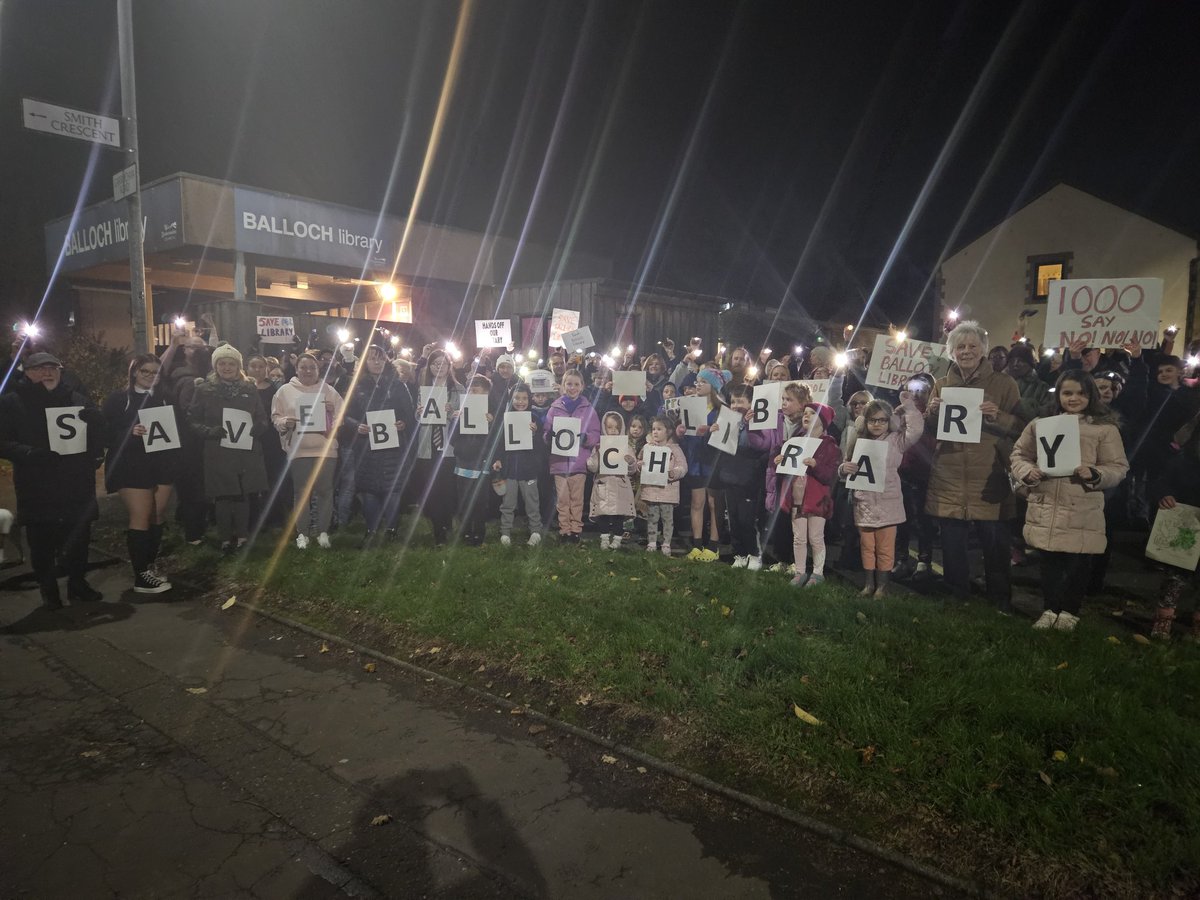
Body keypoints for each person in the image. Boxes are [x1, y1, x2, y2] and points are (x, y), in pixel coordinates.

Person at [1010, 372, 1128, 631]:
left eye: (1080, 393)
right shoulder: (1041, 424)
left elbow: (1118, 467)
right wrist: (1026, 472)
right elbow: (1020, 453)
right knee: (1049, 563)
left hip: (1082, 508)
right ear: (1058, 395)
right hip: (1047, 504)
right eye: (1067, 393)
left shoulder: (1104, 429)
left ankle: (1069, 611)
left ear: (1091, 395)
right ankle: (1050, 608)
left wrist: (1096, 474)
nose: (1074, 398)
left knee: (1077, 564)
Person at [924, 320, 1021, 609]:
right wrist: (931, 413)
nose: (966, 351)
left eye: (972, 346)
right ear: (952, 352)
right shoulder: (941, 385)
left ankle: (999, 600)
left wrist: (999, 416)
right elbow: (931, 431)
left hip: (989, 474)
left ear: (983, 351)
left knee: (995, 543)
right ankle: (957, 596)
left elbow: (1023, 426)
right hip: (949, 473)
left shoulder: (1005, 384)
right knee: (953, 543)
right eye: (960, 347)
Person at [0, 351, 105, 608]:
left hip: (76, 482)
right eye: (40, 368)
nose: (47, 373)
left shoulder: (77, 399)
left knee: (79, 538)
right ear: (26, 372)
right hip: (37, 483)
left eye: (52, 368)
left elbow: (98, 437)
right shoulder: (12, 402)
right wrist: (30, 454)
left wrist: (96, 427)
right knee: (42, 541)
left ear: (61, 371)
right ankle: (49, 591)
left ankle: (78, 584)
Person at [101, 354, 181, 593]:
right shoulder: (118, 399)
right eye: (145, 371)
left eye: (155, 372)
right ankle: (141, 576)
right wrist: (129, 432)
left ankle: (149, 565)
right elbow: (103, 433)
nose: (150, 376)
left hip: (161, 464)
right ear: (134, 372)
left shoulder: (166, 398)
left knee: (157, 516)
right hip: (130, 466)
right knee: (141, 516)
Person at [839, 394, 923, 596]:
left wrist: (909, 409)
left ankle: (883, 586)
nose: (877, 424)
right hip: (864, 503)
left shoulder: (896, 441)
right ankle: (869, 584)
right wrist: (843, 469)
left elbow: (915, 430)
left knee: (885, 548)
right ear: (865, 421)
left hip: (888, 503)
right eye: (872, 420)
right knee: (867, 547)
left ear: (889, 421)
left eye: (882, 420)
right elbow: (847, 466)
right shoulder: (859, 441)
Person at [189, 344, 270, 551]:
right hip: (219, 450)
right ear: (216, 366)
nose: (227, 367)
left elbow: (261, 417)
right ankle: (225, 538)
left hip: (245, 449)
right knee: (223, 495)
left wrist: (258, 428)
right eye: (222, 363)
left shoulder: (249, 388)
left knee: (243, 493)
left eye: (231, 363)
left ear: (238, 366)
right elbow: (193, 419)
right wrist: (210, 432)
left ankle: (242, 537)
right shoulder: (204, 389)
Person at [343, 345, 415, 546]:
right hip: (366, 447)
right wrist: (356, 426)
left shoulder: (398, 385)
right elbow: (344, 415)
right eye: (372, 359)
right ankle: (371, 529)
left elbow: (408, 413)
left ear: (386, 361)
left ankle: (392, 529)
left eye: (380, 359)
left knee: (392, 490)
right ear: (364, 362)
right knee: (368, 491)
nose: (377, 362)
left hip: (393, 447)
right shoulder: (355, 386)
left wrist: (403, 423)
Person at [271, 352, 343, 550]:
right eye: (303, 367)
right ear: (296, 369)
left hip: (325, 450)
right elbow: (276, 417)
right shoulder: (285, 391)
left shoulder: (329, 391)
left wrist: (330, 415)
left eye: (312, 368)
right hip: (299, 451)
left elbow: (340, 415)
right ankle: (302, 533)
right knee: (301, 493)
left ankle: (322, 532)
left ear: (319, 370)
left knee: (325, 492)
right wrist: (286, 422)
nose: (308, 371)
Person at [748, 381, 811, 572]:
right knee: (779, 519)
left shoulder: (810, 422)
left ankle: (797, 561)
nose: (784, 403)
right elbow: (761, 444)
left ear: (802, 403)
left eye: (789, 400)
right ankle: (783, 559)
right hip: (776, 477)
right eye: (783, 399)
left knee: (797, 521)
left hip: (799, 480)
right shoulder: (775, 420)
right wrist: (752, 427)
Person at [781, 403, 840, 587]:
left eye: (812, 413)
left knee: (815, 537)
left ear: (823, 421)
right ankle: (800, 572)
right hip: (797, 497)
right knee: (798, 537)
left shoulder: (830, 446)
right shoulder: (797, 440)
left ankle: (817, 572)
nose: (806, 416)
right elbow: (787, 466)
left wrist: (816, 465)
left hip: (817, 500)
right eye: (805, 413)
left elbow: (830, 474)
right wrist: (779, 460)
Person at [409, 349, 463, 546]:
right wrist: (418, 412)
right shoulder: (423, 388)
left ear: (449, 366)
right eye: (435, 363)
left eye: (443, 363)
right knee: (431, 489)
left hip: (448, 445)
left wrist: (452, 412)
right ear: (429, 367)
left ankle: (444, 525)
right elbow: (417, 417)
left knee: (447, 488)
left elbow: (464, 417)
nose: (439, 367)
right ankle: (439, 526)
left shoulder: (458, 389)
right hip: (428, 444)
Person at [543, 369, 601, 544]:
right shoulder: (554, 408)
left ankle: (575, 530)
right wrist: (549, 436)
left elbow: (596, 433)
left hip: (578, 464)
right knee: (562, 499)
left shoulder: (588, 408)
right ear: (563, 386)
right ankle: (564, 529)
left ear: (582, 386)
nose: (572, 387)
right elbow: (546, 432)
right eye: (569, 384)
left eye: (576, 384)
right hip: (559, 462)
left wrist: (587, 439)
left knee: (577, 499)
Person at [679, 366, 729, 561]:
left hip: (713, 462)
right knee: (697, 502)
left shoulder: (721, 409)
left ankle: (714, 546)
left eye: (704, 381)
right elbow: (684, 434)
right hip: (695, 461)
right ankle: (697, 544)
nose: (698, 384)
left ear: (714, 386)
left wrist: (711, 430)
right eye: (697, 381)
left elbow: (727, 437)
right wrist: (680, 432)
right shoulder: (690, 405)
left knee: (714, 503)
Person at [492, 384, 545, 547]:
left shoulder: (534, 417)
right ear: (511, 399)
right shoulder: (505, 417)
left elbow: (541, 447)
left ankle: (535, 530)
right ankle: (505, 531)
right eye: (516, 398)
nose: (520, 402)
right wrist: (498, 459)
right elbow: (499, 442)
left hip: (529, 470)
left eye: (524, 398)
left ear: (529, 399)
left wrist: (535, 433)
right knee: (508, 502)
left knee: (532, 502)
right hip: (510, 470)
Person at [722, 385, 767, 569]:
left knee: (746, 518)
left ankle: (754, 554)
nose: (735, 405)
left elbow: (758, 446)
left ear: (751, 403)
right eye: (733, 401)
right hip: (729, 475)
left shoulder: (757, 423)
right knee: (732, 517)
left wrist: (748, 425)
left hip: (747, 477)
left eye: (740, 401)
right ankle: (739, 553)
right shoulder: (727, 422)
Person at [449, 375, 496, 546]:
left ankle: (479, 531)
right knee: (464, 499)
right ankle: (466, 531)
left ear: (486, 394)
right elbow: (452, 440)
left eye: (477, 391)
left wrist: (491, 424)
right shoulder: (461, 412)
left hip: (482, 464)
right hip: (463, 464)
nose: (472, 394)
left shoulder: (492, 412)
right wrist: (455, 421)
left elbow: (496, 440)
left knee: (481, 502)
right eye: (470, 391)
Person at [246, 355, 290, 530]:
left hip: (271, 441)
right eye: (253, 366)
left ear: (267, 369)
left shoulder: (275, 391)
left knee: (273, 479)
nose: (257, 370)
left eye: (260, 367)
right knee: (252, 480)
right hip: (248, 439)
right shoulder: (243, 388)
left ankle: (274, 517)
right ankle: (253, 518)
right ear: (247, 368)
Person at [636, 416, 687, 555]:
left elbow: (683, 467)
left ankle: (666, 543)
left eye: (659, 429)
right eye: (653, 429)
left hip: (667, 492)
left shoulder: (674, 449)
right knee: (652, 518)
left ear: (669, 431)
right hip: (652, 491)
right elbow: (640, 462)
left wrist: (674, 473)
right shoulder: (647, 447)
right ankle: (652, 542)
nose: (655, 432)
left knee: (667, 519)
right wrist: (640, 466)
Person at [587, 412, 637, 549]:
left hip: (620, 486)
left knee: (618, 515)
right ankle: (604, 538)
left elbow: (632, 470)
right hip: (603, 484)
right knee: (603, 513)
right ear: (604, 428)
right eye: (610, 427)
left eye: (616, 427)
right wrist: (595, 455)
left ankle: (617, 539)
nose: (613, 430)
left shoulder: (627, 447)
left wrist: (631, 462)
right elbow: (593, 467)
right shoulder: (599, 446)